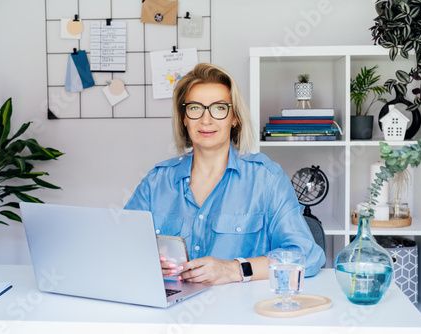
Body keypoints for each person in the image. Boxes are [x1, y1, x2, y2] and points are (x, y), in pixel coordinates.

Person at [125, 63, 325, 285]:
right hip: (169, 312)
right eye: (195, 108)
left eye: (219, 108)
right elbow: (122, 247)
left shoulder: (267, 179)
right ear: (184, 118)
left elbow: (308, 256)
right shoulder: (156, 182)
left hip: (240, 315)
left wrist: (233, 269)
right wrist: (149, 262)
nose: (206, 120)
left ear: (235, 117)